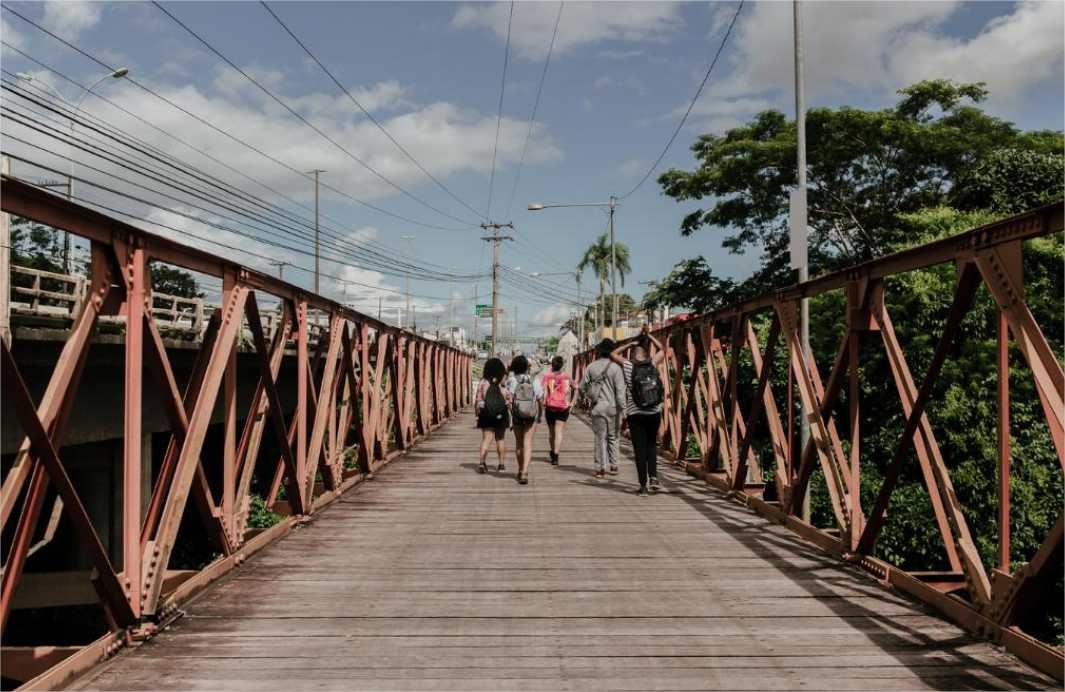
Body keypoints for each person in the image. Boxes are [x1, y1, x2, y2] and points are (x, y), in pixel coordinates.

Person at [612, 327, 666, 496]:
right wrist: (649, 335)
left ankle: (643, 486)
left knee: (639, 450)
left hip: (636, 413)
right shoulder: (652, 363)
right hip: (654, 411)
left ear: (634, 353)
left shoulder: (629, 366)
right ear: (645, 353)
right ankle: (654, 477)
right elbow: (663, 349)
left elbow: (613, 354)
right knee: (651, 445)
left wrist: (630, 343)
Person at [579, 338, 626, 479]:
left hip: (597, 407)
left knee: (599, 438)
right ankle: (614, 465)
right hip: (613, 408)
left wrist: (589, 397)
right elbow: (620, 392)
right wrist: (624, 410)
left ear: (599, 351)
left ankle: (600, 468)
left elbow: (582, 387)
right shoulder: (616, 368)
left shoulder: (591, 367)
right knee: (613, 437)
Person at [507, 355, 543, 485]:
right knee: (528, 442)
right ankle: (525, 472)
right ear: (527, 367)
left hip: (517, 414)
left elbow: (509, 400)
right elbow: (539, 398)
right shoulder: (534, 380)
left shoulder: (512, 380)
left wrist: (512, 415)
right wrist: (540, 415)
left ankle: (520, 469)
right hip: (530, 414)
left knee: (519, 443)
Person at [474, 357, 511, 474]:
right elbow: (509, 398)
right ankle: (501, 465)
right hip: (501, 414)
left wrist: (477, 414)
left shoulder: (482, 382)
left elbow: (478, 400)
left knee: (486, 439)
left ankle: (481, 462)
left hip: (486, 413)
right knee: (500, 439)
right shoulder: (502, 382)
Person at [541, 355, 576, 466]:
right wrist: (572, 403)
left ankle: (552, 452)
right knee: (559, 432)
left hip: (550, 407)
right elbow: (577, 387)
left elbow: (544, 391)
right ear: (562, 365)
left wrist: (543, 402)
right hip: (563, 407)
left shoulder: (547, 376)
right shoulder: (566, 376)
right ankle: (556, 455)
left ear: (552, 365)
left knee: (551, 433)